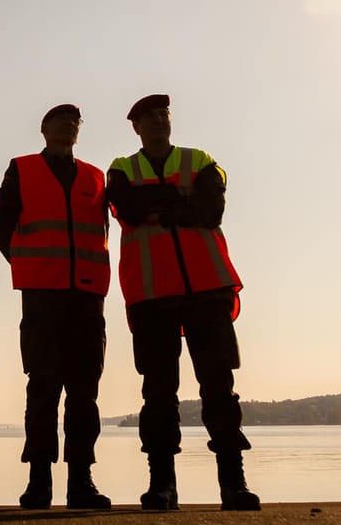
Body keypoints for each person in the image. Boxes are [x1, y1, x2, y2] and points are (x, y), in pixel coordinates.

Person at [106, 94, 260, 511]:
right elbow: (130, 209)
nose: (159, 120)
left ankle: (234, 484)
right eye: (149, 117)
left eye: (163, 114)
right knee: (158, 395)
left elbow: (212, 209)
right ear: (135, 126)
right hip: (153, 296)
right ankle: (162, 487)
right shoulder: (122, 168)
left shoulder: (201, 159)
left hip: (207, 291)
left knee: (219, 390)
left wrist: (163, 208)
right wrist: (180, 205)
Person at [0, 103, 112, 510]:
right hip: (43, 299)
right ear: (44, 129)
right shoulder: (21, 169)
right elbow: (2, 231)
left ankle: (82, 481)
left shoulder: (96, 177)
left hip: (87, 300)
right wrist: (36, 268)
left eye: (76, 121)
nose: (70, 125)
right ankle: (38, 481)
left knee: (85, 392)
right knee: (43, 388)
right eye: (61, 120)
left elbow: (102, 232)